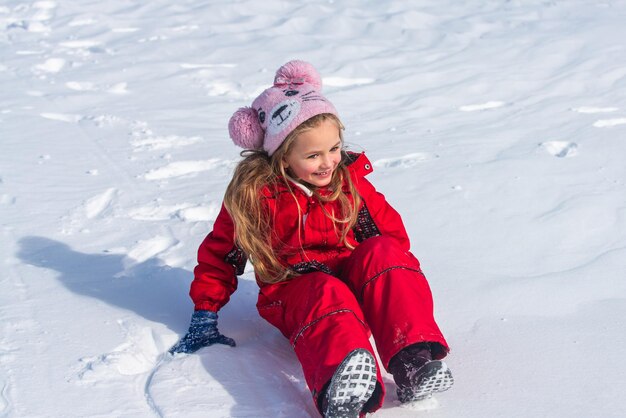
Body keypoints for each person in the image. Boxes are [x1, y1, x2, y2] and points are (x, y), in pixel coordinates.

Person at [169, 60, 454, 417]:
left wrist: (381, 292)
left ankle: (413, 361)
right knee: (324, 288)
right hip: (295, 293)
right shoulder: (256, 197)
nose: (328, 162)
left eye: (334, 149)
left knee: (383, 250)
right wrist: (205, 313)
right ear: (283, 156)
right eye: (313, 155)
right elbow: (220, 254)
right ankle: (343, 382)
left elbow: (394, 248)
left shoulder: (350, 183)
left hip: (352, 289)